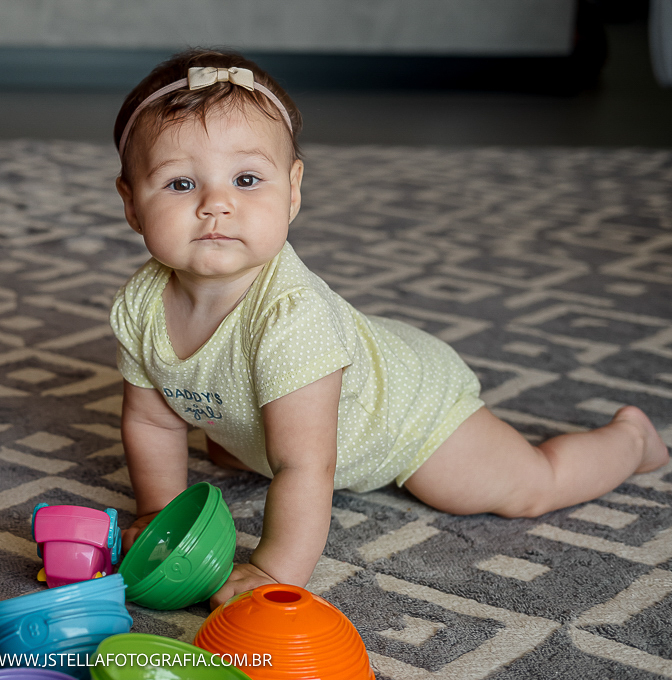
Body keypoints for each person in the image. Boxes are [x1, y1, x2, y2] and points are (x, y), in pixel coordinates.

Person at [108, 48, 669, 609]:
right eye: (181, 185)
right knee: (242, 442)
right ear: (132, 205)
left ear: (294, 190)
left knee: (523, 488)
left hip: (407, 413)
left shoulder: (292, 317)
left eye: (248, 179)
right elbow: (153, 423)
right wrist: (159, 511)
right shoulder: (141, 303)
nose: (217, 205)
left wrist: (273, 568)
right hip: (283, 407)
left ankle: (631, 440)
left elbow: (308, 465)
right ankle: (248, 434)